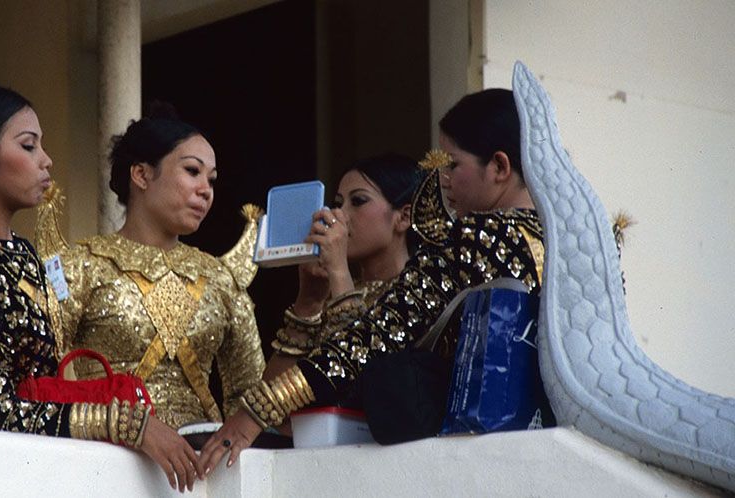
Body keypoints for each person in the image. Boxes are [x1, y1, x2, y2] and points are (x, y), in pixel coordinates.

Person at [200, 88, 544, 472]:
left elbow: (372, 339)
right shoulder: (566, 241)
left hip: (464, 457)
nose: (444, 180)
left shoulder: (480, 235)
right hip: (537, 441)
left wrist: (257, 411)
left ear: (499, 167)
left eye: (453, 165)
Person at [0, 84, 203, 492]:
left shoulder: (23, 253)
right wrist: (125, 424)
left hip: (40, 471)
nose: (46, 160)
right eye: (29, 146)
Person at [36, 108, 266, 431]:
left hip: (200, 466)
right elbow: (39, 383)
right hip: (107, 459)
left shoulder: (221, 279)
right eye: (192, 171)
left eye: (211, 180)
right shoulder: (82, 266)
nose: (206, 190)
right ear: (141, 175)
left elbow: (248, 394)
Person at [264, 154, 426, 381]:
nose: (339, 214)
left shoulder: (420, 293)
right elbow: (271, 401)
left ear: (404, 217)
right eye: (338, 203)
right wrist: (308, 302)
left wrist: (339, 271)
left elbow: (366, 383)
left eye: (358, 201)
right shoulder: (329, 296)